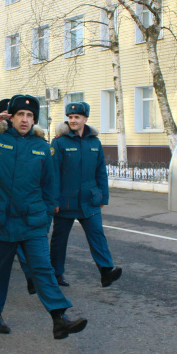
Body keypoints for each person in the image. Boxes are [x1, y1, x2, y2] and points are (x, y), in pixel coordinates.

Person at [0, 95, 87, 339]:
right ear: (11, 118)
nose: (25, 120)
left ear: (34, 120)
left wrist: (45, 217)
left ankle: (59, 318)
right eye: (20, 115)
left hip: (31, 222)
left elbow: (49, 187)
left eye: (29, 116)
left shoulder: (41, 147)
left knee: (43, 269)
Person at [50, 102, 123, 288]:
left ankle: (106, 271)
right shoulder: (59, 142)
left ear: (85, 119)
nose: (73, 120)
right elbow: (53, 173)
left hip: (89, 200)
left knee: (97, 234)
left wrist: (103, 197)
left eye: (77, 117)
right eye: (70, 117)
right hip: (65, 201)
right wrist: (54, 199)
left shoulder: (94, 142)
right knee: (60, 240)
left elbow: (101, 172)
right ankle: (56, 274)